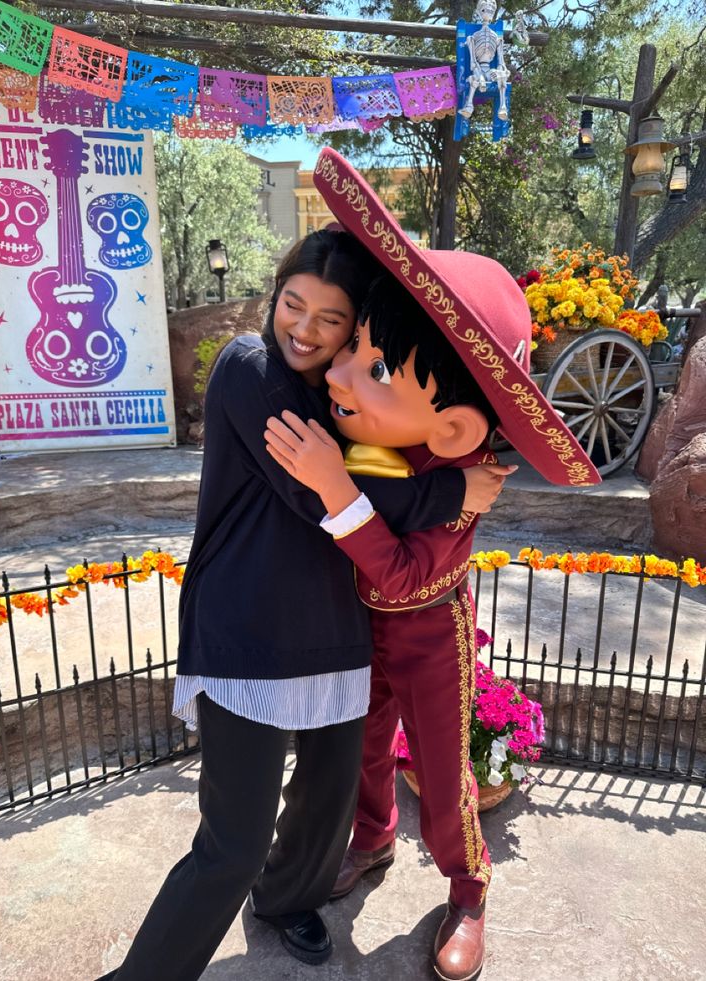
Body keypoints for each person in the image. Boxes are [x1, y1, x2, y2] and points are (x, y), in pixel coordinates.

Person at [96, 227, 511, 981]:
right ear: (275, 297)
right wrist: (445, 490)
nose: (306, 329)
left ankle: (288, 900)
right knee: (235, 839)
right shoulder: (251, 369)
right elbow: (313, 484)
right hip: (246, 632)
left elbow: (363, 472)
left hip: (335, 632)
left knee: (325, 812)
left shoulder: (338, 391)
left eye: (331, 320)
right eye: (294, 304)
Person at [264, 149, 600, 981]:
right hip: (351, 629)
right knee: (362, 746)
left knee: (443, 771)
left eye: (373, 368)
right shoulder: (372, 441)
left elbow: (406, 575)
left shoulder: (459, 481)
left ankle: (468, 886)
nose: (338, 371)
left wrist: (346, 491)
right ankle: (371, 839)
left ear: (451, 427)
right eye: (354, 352)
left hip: (428, 627)